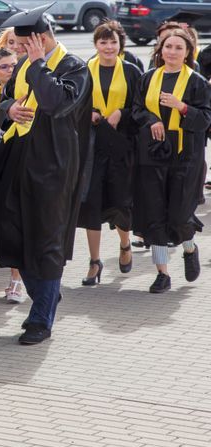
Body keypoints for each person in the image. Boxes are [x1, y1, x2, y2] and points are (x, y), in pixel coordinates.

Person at [0, 4, 91, 345]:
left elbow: (55, 102)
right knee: (14, 234)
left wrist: (37, 65)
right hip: (17, 160)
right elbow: (3, 100)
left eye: (22, 45)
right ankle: (46, 293)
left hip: (53, 168)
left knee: (46, 241)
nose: (16, 51)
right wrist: (9, 109)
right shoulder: (24, 66)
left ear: (40, 40)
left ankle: (41, 319)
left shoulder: (74, 67)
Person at [131, 27, 210, 293]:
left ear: (188, 53)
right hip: (153, 153)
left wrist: (182, 107)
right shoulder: (148, 78)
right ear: (160, 50)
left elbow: (205, 119)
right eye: (168, 46)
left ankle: (189, 248)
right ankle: (162, 273)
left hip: (185, 155)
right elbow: (137, 109)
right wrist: (152, 119)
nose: (172, 52)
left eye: (178, 48)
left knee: (179, 215)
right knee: (154, 214)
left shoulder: (197, 82)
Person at [77, 21, 142, 286]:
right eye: (103, 42)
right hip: (93, 146)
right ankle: (94, 261)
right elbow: (76, 103)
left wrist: (121, 113)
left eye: (113, 41)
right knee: (91, 203)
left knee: (120, 200)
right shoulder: (84, 69)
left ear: (120, 44)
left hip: (121, 145)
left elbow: (140, 106)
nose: (108, 47)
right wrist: (90, 113)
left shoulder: (131, 71)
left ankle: (125, 244)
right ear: (96, 44)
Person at [0, 48, 25, 303]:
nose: (10, 70)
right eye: (4, 67)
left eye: (14, 66)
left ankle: (16, 280)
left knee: (15, 222)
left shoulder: (24, 95)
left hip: (17, 165)